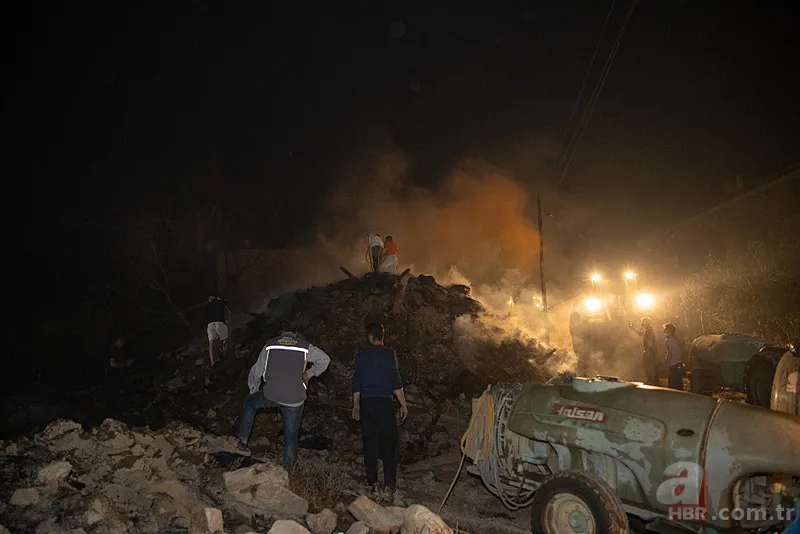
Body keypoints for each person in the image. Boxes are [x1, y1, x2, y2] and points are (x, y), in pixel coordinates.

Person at [236, 324, 330, 469]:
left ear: (280, 335)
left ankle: (241, 443)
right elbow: (325, 359)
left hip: (271, 394)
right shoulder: (304, 346)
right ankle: (289, 470)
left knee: (250, 403)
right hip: (295, 399)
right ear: (295, 336)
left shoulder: (270, 345)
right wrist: (309, 374)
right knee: (291, 436)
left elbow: (256, 371)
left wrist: (253, 389)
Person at [351, 322, 408, 501]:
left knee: (370, 445)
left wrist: (356, 405)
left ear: (369, 337)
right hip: (385, 404)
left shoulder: (361, 355)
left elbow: (357, 382)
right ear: (383, 336)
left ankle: (373, 484)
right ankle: (390, 486)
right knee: (389, 445)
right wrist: (403, 405)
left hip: (367, 404)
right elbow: (395, 381)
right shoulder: (390, 354)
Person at [104, 334, 134, 414]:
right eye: (121, 341)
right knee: (113, 394)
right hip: (112, 376)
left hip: (116, 376)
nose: (123, 343)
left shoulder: (118, 350)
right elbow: (112, 364)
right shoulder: (113, 350)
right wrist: (125, 364)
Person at [629, 317, 658, 385]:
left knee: (649, 365)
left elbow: (649, 340)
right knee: (648, 365)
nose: (642, 323)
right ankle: (651, 380)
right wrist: (633, 328)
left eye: (643, 322)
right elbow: (640, 333)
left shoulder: (649, 330)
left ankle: (652, 380)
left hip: (649, 350)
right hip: (648, 350)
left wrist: (649, 349)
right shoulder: (647, 329)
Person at [204, 295, 230, 368]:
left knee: (211, 343)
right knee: (226, 339)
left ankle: (213, 362)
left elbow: (205, 317)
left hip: (210, 325)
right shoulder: (220, 303)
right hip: (219, 322)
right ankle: (225, 355)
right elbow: (227, 307)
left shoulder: (208, 306)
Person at [663, 323, 684, 390]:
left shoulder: (667, 341)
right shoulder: (676, 339)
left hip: (673, 364)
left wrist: (667, 363)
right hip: (679, 364)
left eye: (665, 329)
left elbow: (669, 354)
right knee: (679, 385)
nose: (664, 330)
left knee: (672, 386)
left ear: (669, 331)